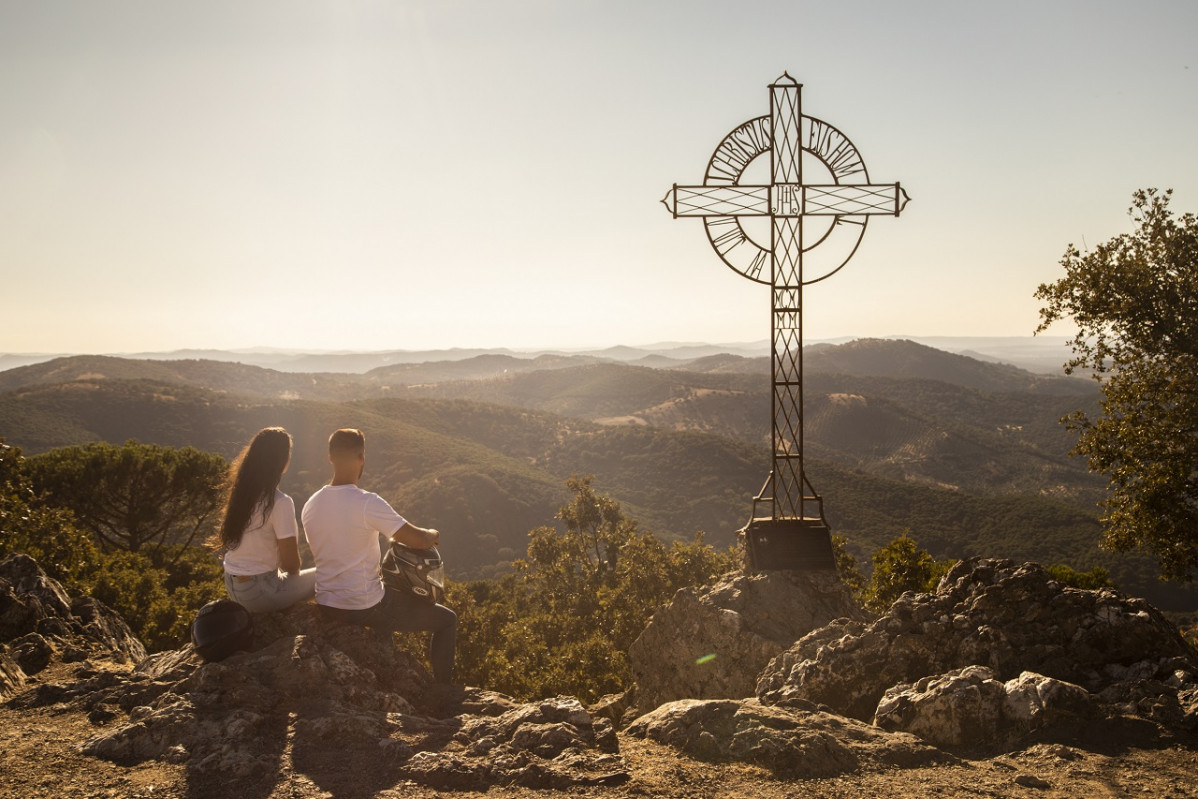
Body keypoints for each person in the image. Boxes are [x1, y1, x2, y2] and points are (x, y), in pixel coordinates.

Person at [302, 428, 457, 683]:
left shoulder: (311, 504)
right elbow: (416, 538)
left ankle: (385, 652)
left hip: (327, 603)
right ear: (361, 457)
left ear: (330, 457)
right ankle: (444, 688)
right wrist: (432, 533)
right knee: (447, 620)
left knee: (387, 588)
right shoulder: (367, 502)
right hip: (362, 606)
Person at [216, 427, 316, 613]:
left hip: (233, 586)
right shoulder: (279, 502)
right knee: (329, 575)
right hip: (260, 591)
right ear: (283, 461)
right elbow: (291, 565)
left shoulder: (241, 495)